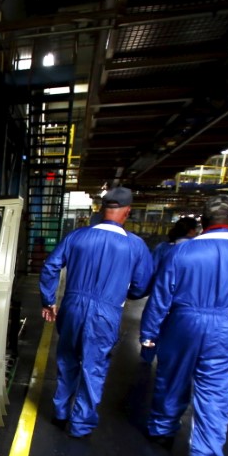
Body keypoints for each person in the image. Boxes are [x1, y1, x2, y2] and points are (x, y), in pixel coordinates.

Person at [139, 194, 228, 456]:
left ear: (202, 220)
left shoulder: (182, 252)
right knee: (217, 390)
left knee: (172, 378)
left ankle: (162, 431)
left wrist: (149, 331)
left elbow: (161, 296)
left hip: (183, 323)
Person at [39, 186, 153, 439]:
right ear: (128, 212)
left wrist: (48, 301)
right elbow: (142, 285)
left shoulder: (76, 237)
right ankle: (80, 425)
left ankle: (60, 413)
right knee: (94, 366)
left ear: (102, 210)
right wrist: (126, 294)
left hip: (72, 307)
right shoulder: (135, 245)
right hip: (106, 311)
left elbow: (50, 267)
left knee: (67, 358)